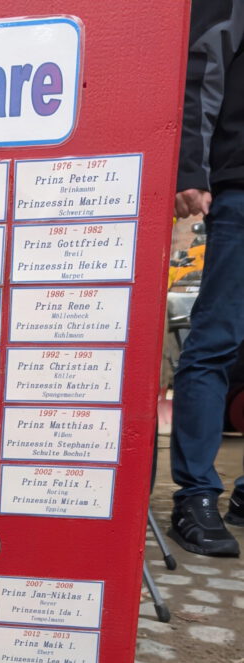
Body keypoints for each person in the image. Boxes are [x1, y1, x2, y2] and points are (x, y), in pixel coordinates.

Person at [169, 0, 244, 557]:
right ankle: (195, 494)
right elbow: (202, 66)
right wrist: (191, 167)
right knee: (217, 338)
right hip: (239, 183)